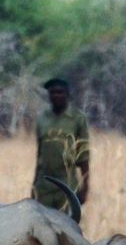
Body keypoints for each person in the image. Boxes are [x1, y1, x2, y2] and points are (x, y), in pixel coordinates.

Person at [33, 77, 89, 217]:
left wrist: (85, 187)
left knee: (67, 225)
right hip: (44, 182)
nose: (56, 95)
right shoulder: (42, 119)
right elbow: (39, 154)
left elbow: (83, 155)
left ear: (67, 93)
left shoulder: (78, 118)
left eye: (60, 92)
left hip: (67, 181)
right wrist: (34, 186)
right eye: (52, 92)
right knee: (42, 223)